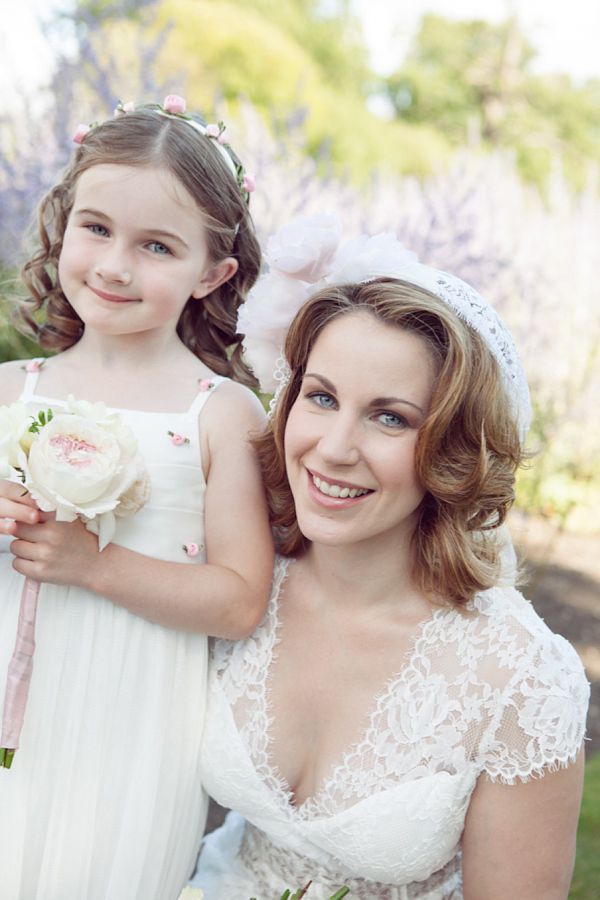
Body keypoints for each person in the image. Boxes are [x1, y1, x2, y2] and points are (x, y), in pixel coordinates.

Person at [189, 214, 590, 900]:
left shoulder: (520, 680)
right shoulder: (242, 582)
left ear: (454, 452)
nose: (335, 446)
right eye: (320, 397)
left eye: (390, 416)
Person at [0, 96, 273, 900]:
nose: (115, 266)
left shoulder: (219, 413)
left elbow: (239, 601)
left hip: (133, 728)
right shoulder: (11, 393)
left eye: (156, 245)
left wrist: (95, 566)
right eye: (97, 229)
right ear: (62, 227)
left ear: (213, 274)